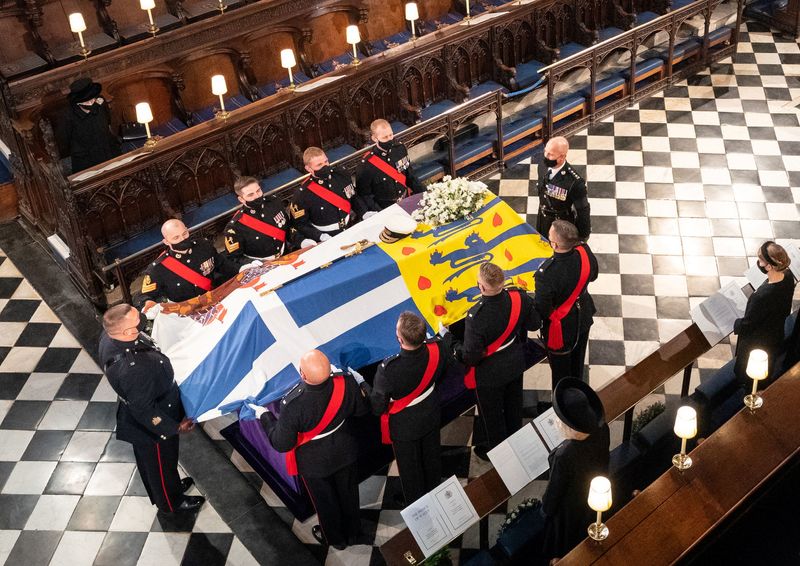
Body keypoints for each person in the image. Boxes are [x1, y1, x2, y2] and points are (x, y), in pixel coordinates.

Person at [251, 350, 369, 550]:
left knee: (325, 503)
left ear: (303, 375)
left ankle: (336, 539)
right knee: (349, 494)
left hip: (315, 462)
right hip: (345, 449)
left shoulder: (293, 403)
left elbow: (282, 443)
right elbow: (362, 409)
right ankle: (354, 532)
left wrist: (265, 417)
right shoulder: (346, 383)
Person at [98, 304, 204, 514]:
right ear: (128, 332)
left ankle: (169, 487)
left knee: (160, 463)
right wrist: (174, 428)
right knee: (161, 466)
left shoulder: (110, 335)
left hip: (147, 404)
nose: (144, 320)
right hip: (152, 426)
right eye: (139, 321)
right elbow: (144, 410)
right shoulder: (135, 369)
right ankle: (170, 502)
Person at [452, 262, 541, 460]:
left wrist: (455, 347)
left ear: (482, 287)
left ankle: (498, 453)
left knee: (492, 416)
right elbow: (534, 322)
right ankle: (516, 440)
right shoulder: (519, 298)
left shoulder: (476, 318)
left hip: (489, 375)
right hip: (515, 362)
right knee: (513, 404)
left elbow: (471, 357)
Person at [364, 312, 450, 504]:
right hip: (430, 412)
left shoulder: (388, 370)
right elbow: (444, 370)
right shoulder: (437, 349)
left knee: (410, 468)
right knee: (431, 457)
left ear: (400, 339)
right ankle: (435, 493)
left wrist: (363, 385)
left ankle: (416, 504)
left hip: (405, 426)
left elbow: (378, 406)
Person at [541, 378, 610, 561]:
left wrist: (545, 511)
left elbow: (554, 494)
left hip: (569, 513)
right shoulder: (602, 429)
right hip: (594, 495)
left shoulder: (565, 455)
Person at [534, 220, 598, 390]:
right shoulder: (584, 251)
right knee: (577, 362)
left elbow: (543, 309)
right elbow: (593, 275)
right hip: (583, 315)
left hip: (560, 329)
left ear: (554, 244)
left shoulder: (545, 274)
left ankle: (563, 405)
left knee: (561, 373)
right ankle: (577, 393)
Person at [139, 218, 239, 310]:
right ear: (166, 241)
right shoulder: (158, 268)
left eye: (185, 234)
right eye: (176, 238)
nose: (183, 239)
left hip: (212, 302)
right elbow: (145, 296)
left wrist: (242, 269)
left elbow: (223, 265)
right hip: (183, 313)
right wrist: (149, 304)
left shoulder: (204, 246)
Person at [733, 241, 794, 385]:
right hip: (775, 334)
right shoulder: (788, 276)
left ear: (770, 266)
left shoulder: (761, 296)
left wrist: (736, 324)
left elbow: (748, 323)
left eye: (761, 260)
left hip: (756, 341)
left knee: (746, 373)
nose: (759, 264)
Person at [290, 147, 363, 245]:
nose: (325, 166)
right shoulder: (302, 194)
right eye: (319, 165)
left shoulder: (341, 174)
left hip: (350, 225)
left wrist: (364, 212)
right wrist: (319, 236)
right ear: (308, 169)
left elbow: (353, 197)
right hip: (326, 237)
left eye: (326, 162)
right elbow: (301, 224)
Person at [355, 119, 425, 213]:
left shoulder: (399, 149)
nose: (390, 139)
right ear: (375, 138)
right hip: (386, 210)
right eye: (385, 137)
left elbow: (410, 176)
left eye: (391, 135)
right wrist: (380, 214)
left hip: (406, 201)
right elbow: (365, 195)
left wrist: (425, 193)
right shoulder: (366, 164)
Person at [224, 176, 291, 267]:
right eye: (250, 195)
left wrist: (301, 240)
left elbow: (288, 227)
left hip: (286, 256)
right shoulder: (235, 227)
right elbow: (234, 257)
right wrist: (251, 263)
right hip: (261, 267)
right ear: (241, 199)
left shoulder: (274, 202)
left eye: (258, 191)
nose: (257, 196)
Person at [535, 136, 590, 241]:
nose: (546, 156)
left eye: (551, 154)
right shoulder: (543, 165)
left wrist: (582, 237)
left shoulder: (574, 182)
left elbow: (583, 211)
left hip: (561, 225)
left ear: (562, 157)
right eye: (545, 151)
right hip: (542, 219)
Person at [66, 78, 121, 173]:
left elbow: (108, 121)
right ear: (78, 102)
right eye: (86, 101)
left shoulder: (100, 101)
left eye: (93, 99)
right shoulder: (69, 115)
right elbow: (66, 139)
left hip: (108, 148)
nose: (91, 103)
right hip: (86, 158)